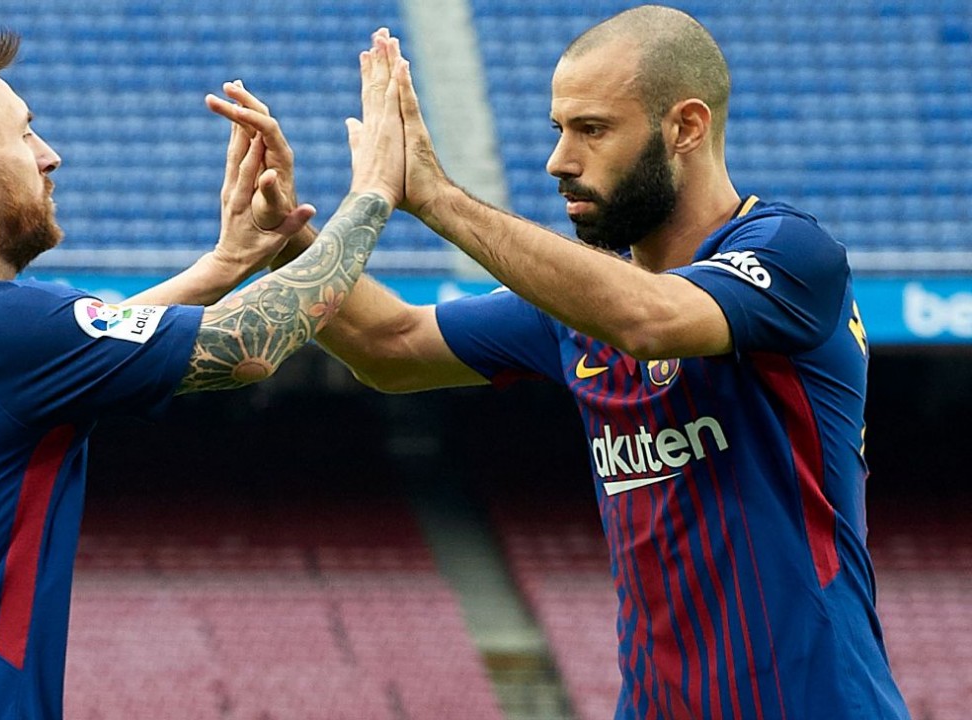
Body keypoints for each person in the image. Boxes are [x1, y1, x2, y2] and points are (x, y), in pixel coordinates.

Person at [215, 9, 910, 719]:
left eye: (593, 130)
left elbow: (652, 320)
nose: (559, 160)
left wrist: (437, 197)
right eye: (559, 130)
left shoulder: (791, 255)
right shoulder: (578, 305)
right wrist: (287, 241)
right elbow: (388, 346)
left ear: (686, 127)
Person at [0, 26, 407, 719]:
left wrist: (226, 264)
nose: (49, 155)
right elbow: (250, 344)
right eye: (25, 134)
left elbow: (71, 349)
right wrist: (374, 193)